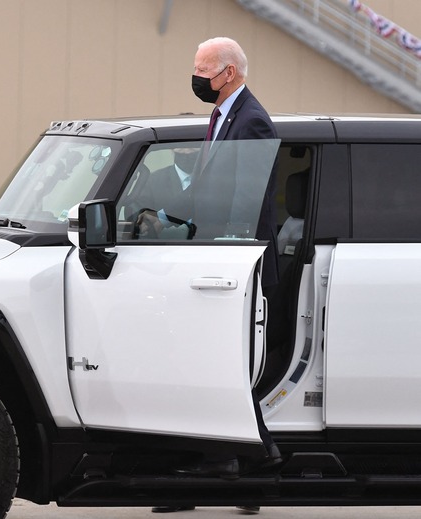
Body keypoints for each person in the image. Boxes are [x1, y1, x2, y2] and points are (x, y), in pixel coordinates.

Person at [151, 38, 281, 515]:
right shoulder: (223, 115)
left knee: (224, 360)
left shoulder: (251, 121)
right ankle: (249, 465)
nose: (197, 77)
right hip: (213, 254)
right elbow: (212, 185)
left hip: (234, 260)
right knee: (215, 360)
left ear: (228, 73)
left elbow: (244, 202)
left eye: (203, 70)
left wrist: (214, 250)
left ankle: (256, 457)